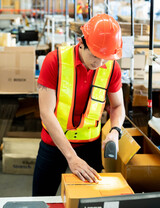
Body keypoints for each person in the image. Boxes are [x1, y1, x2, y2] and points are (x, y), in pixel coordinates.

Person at [32, 14, 125, 196]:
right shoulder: (54, 62)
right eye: (95, 55)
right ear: (81, 42)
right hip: (53, 144)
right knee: (41, 199)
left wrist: (115, 131)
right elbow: (46, 113)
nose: (99, 63)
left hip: (89, 145)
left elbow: (118, 106)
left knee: (92, 201)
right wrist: (72, 158)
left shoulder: (112, 68)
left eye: (105, 58)